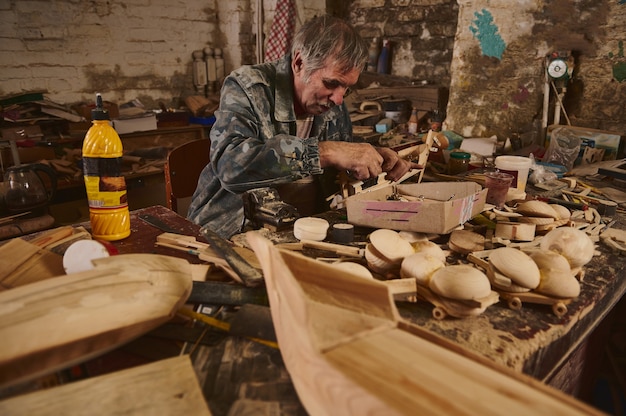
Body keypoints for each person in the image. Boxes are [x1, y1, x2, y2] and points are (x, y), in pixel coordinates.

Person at [188, 15, 420, 238]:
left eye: (346, 88)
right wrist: (324, 152)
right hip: (232, 232)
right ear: (299, 63)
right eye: (331, 83)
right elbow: (231, 167)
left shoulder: (334, 105)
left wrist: (372, 160)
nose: (339, 99)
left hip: (304, 229)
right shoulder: (249, 87)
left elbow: (341, 170)